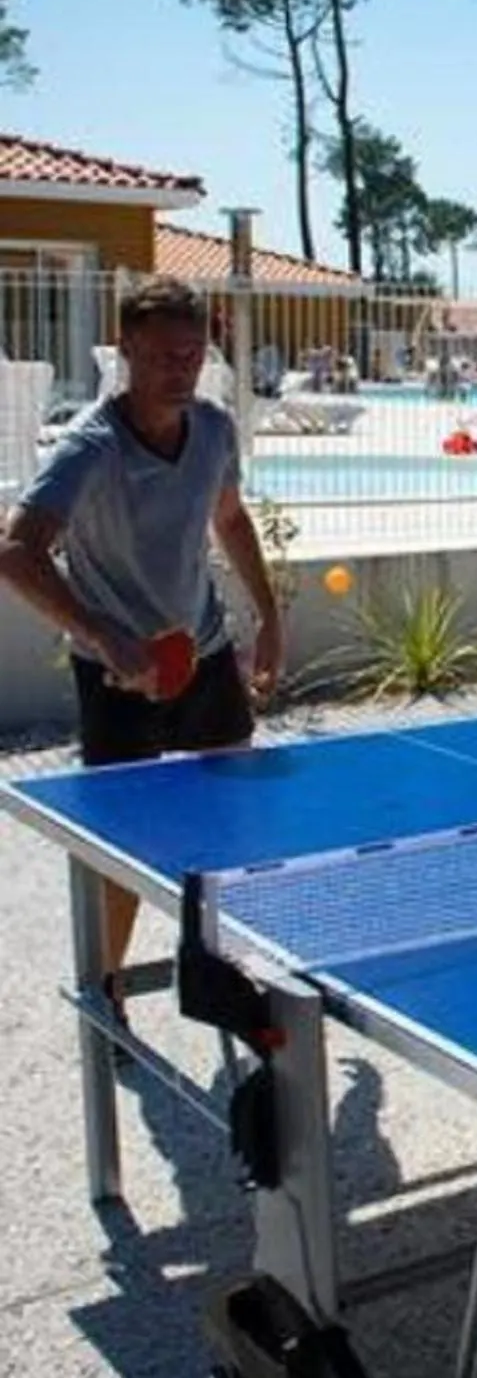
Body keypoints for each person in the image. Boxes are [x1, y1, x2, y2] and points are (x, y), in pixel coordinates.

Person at [0, 274, 285, 1015]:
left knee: (230, 819)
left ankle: (220, 960)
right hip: (119, 675)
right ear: (126, 350)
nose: (180, 368)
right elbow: (16, 553)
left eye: (192, 353)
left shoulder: (215, 428)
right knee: (121, 847)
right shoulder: (91, 446)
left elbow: (229, 518)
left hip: (207, 651)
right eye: (163, 354)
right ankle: (108, 983)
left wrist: (269, 618)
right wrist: (103, 635)